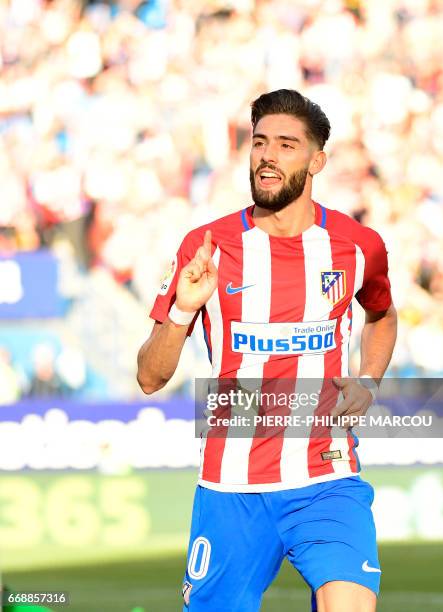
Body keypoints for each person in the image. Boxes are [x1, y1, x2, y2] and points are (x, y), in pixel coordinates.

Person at [137, 89, 397, 612]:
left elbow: (382, 315)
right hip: (231, 488)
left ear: (316, 160)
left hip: (326, 478)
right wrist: (184, 309)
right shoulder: (207, 245)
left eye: (286, 145)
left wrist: (368, 380)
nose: (268, 156)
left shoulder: (356, 245)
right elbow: (149, 376)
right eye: (260, 143)